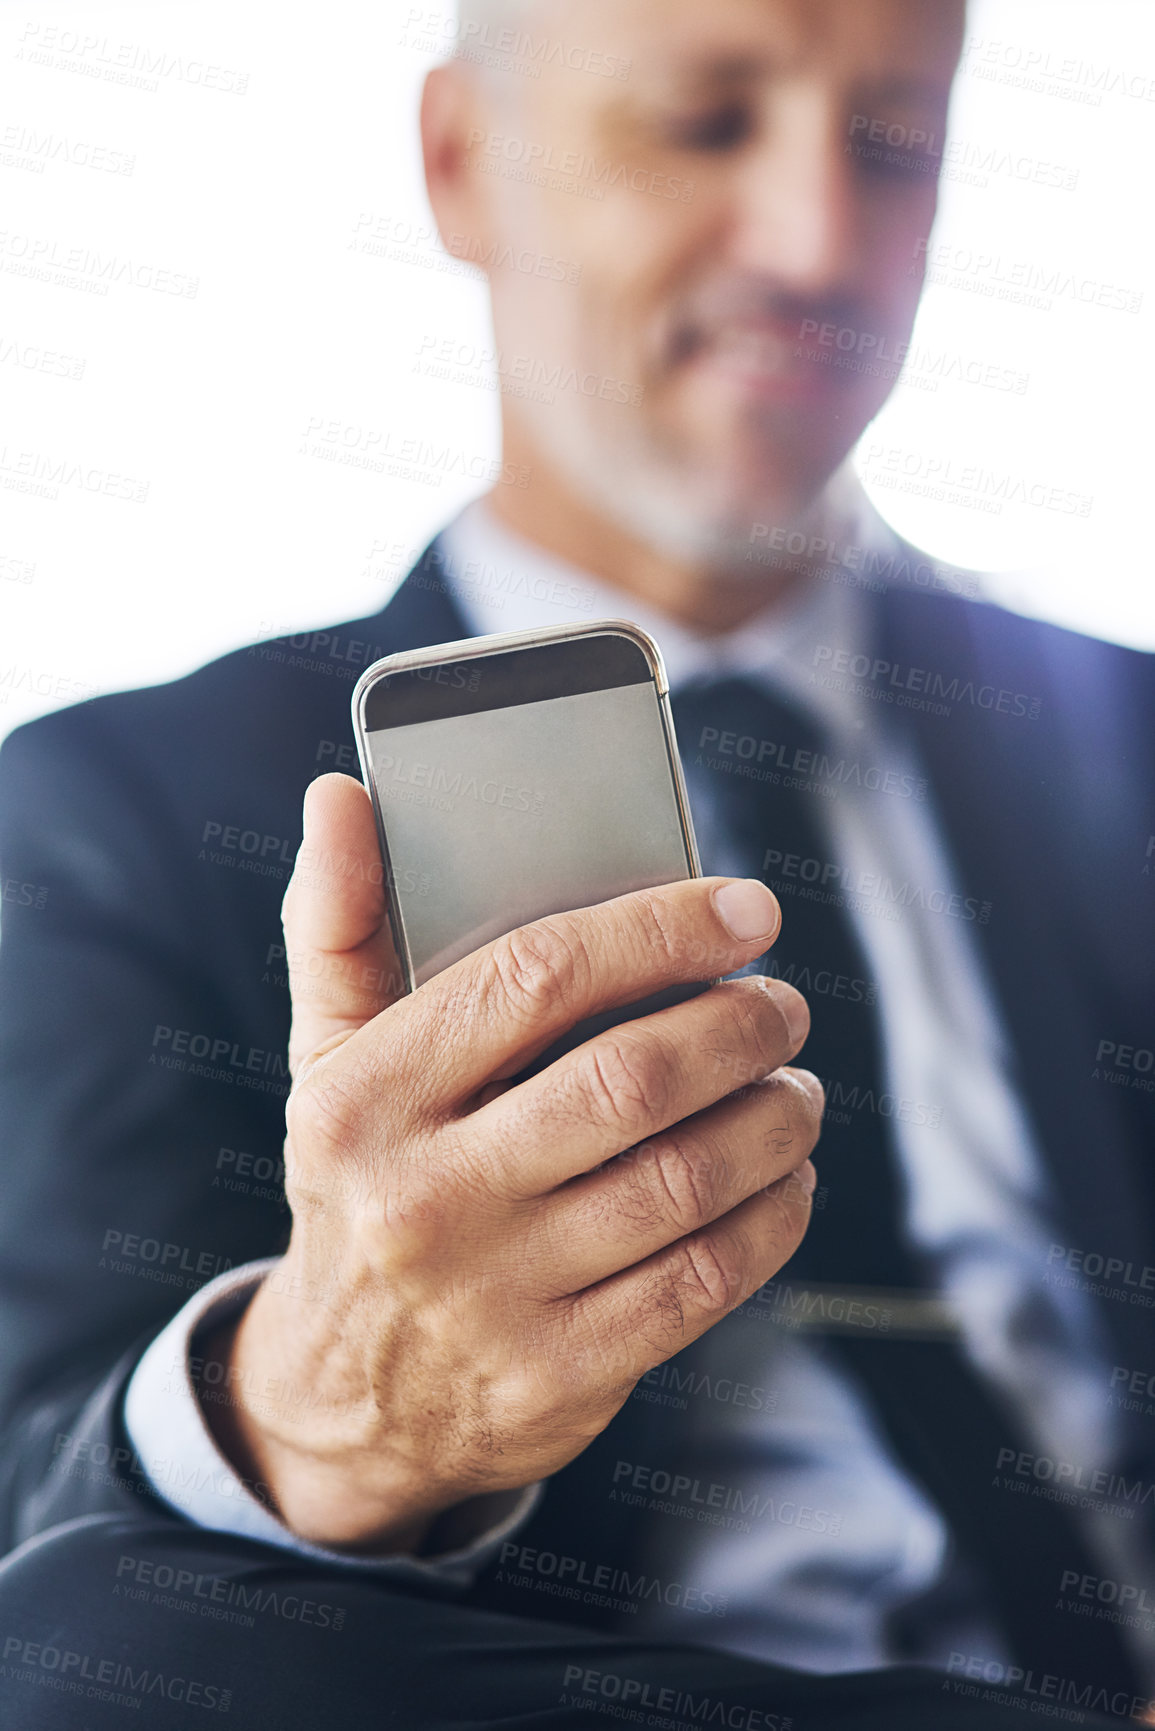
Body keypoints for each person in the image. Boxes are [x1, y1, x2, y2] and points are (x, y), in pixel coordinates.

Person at [0, 0, 1152, 1725]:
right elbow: (47, 1511)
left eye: (895, 141)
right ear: (463, 163)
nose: (819, 241)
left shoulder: (1114, 740)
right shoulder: (118, 806)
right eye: (702, 121)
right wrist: (336, 1409)